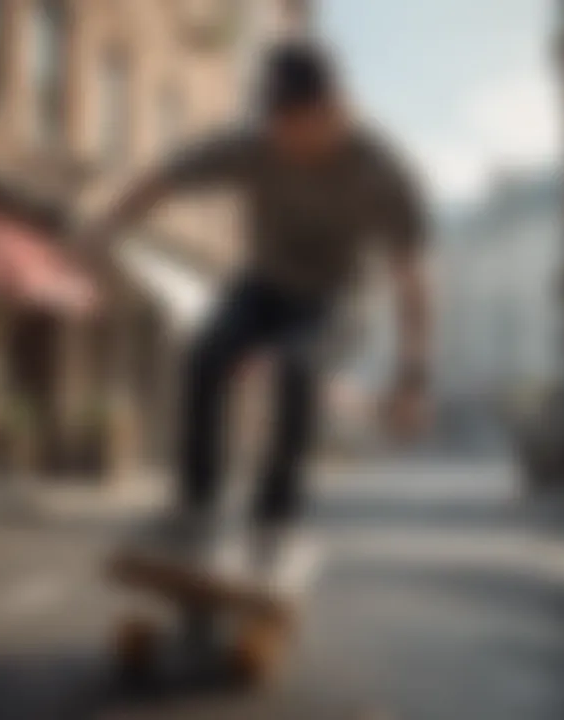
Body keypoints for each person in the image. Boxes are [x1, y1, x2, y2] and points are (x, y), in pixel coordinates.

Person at [85, 41, 433, 551]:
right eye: (275, 122)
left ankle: (275, 517)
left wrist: (412, 378)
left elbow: (412, 277)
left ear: (332, 109)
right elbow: (164, 178)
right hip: (263, 285)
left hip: (335, 302)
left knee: (296, 366)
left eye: (294, 123)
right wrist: (105, 226)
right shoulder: (256, 144)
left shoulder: (381, 171)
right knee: (204, 353)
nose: (282, 137)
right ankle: (196, 504)